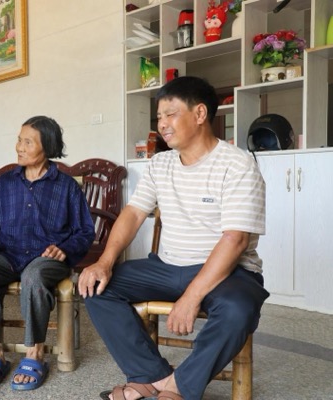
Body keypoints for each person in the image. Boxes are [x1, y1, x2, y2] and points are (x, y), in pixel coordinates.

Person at [77, 76, 270, 400]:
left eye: (170, 114)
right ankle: (153, 376)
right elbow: (133, 213)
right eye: (159, 117)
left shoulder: (237, 164)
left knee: (238, 310)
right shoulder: (159, 163)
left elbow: (235, 240)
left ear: (199, 113)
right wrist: (104, 262)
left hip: (229, 271)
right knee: (95, 287)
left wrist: (191, 297)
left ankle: (179, 387)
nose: (162, 124)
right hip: (167, 266)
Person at [0, 116, 95, 391]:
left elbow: (85, 232)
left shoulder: (67, 187)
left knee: (34, 275)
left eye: (28, 142)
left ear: (47, 146)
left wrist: (64, 248)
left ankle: (35, 353)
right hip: (9, 255)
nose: (19, 147)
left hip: (46, 260)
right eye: (19, 140)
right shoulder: (4, 183)